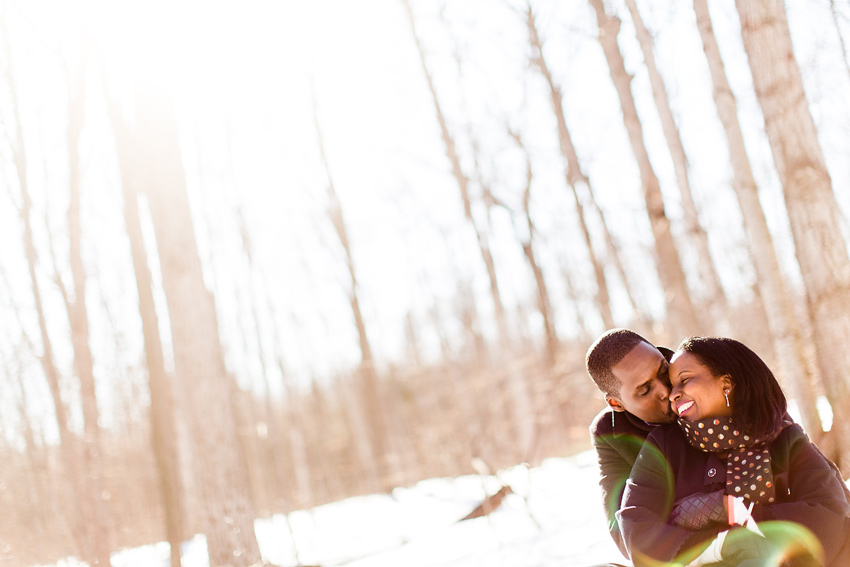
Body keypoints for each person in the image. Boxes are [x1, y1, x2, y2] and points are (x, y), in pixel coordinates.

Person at [617, 336, 850, 567]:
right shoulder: (665, 445)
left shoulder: (785, 438)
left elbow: (829, 516)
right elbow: (637, 529)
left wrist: (747, 513)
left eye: (684, 380)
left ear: (726, 383)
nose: (672, 394)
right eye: (672, 386)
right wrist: (722, 541)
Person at [585, 329, 678, 559]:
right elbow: (624, 532)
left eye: (664, 371)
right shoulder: (610, 433)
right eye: (645, 390)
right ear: (616, 403)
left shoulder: (702, 372)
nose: (667, 391)